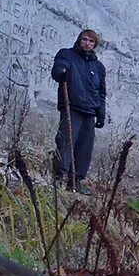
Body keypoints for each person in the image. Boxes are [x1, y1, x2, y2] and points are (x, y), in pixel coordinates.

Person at [51, 28, 106, 190]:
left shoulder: (98, 67)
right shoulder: (67, 55)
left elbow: (101, 92)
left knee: (84, 148)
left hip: (89, 111)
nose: (87, 43)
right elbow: (58, 69)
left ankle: (75, 181)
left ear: (95, 44)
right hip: (72, 106)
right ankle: (58, 176)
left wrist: (101, 112)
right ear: (79, 40)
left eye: (91, 41)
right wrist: (59, 71)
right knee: (66, 141)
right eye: (84, 39)